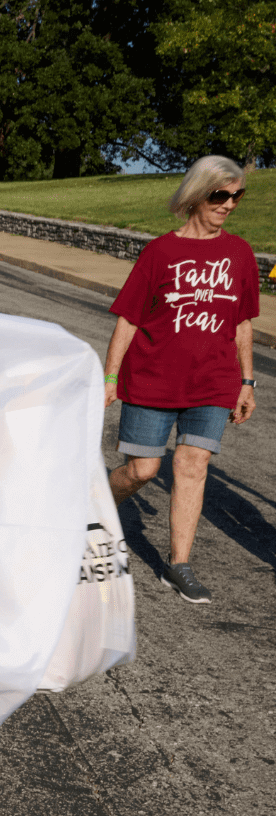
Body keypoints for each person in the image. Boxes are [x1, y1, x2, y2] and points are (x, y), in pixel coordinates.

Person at [103, 155, 259, 604]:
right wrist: (111, 375)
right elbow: (128, 320)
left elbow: (243, 323)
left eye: (237, 195)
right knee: (142, 470)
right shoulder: (160, 252)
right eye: (220, 195)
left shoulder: (240, 253)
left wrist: (247, 381)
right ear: (196, 194)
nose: (229, 204)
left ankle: (178, 564)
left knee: (193, 465)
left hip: (213, 381)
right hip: (153, 379)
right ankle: (93, 504)